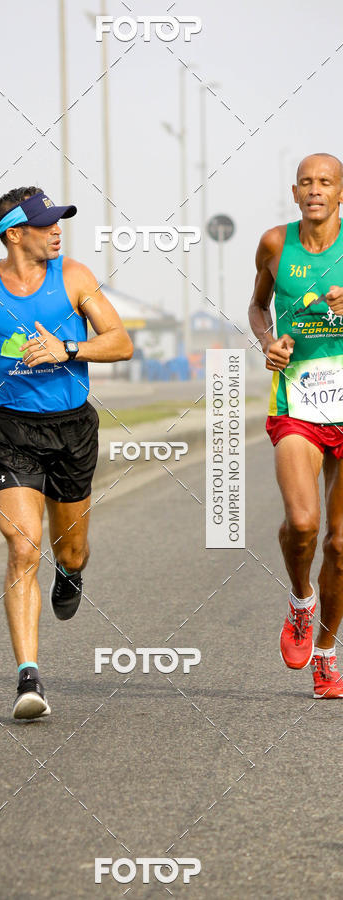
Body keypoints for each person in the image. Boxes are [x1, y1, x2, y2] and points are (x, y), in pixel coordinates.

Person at [0, 186, 133, 718]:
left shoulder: (75, 278)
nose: (57, 229)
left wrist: (67, 348)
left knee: (71, 550)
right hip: (11, 429)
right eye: (46, 223)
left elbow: (120, 342)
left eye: (59, 221)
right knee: (21, 548)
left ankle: (72, 572)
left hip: (72, 429)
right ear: (15, 233)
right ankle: (28, 681)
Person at [249, 152, 343, 699]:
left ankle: (327, 653)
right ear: (294, 192)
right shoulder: (273, 244)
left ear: (339, 194)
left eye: (325, 182)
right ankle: (301, 602)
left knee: (342, 544)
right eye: (306, 182)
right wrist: (268, 343)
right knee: (304, 524)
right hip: (298, 405)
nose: (315, 190)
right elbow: (258, 307)